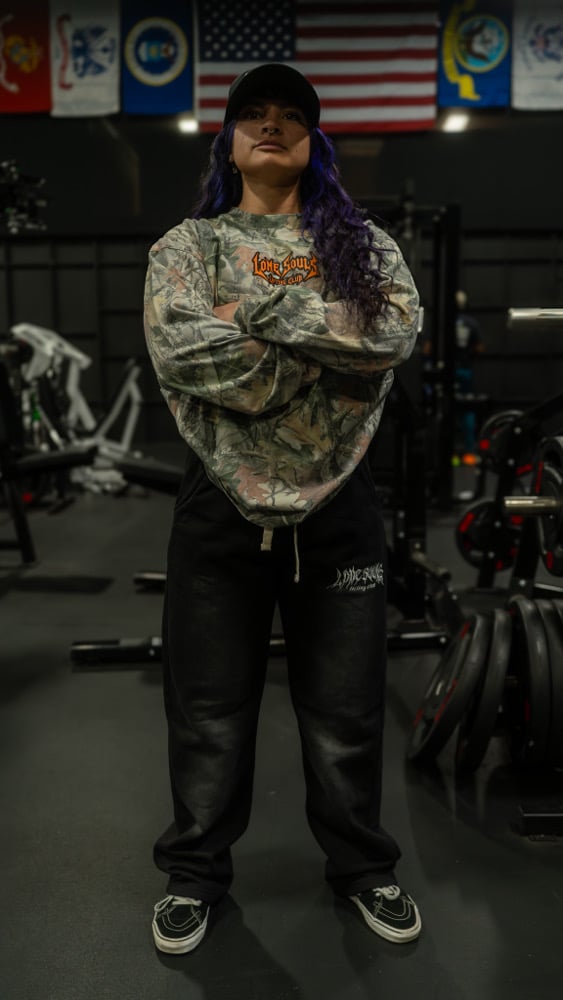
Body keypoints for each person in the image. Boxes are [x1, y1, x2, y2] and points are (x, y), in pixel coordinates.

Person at [143, 63, 422, 955]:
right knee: (208, 709)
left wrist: (254, 310)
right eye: (253, 115)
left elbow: (389, 334)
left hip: (338, 502)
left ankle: (363, 868)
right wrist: (321, 351)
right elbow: (187, 354)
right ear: (228, 143)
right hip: (220, 501)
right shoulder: (187, 247)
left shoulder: (362, 245)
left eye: (290, 116)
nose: (271, 125)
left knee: (345, 709)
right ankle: (194, 875)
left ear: (313, 142)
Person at [454, 288, 484, 462]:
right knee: (467, 410)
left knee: (446, 407)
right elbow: (479, 348)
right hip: (465, 370)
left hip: (448, 371)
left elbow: (429, 348)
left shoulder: (444, 322)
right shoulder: (471, 323)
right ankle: (469, 451)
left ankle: (449, 452)